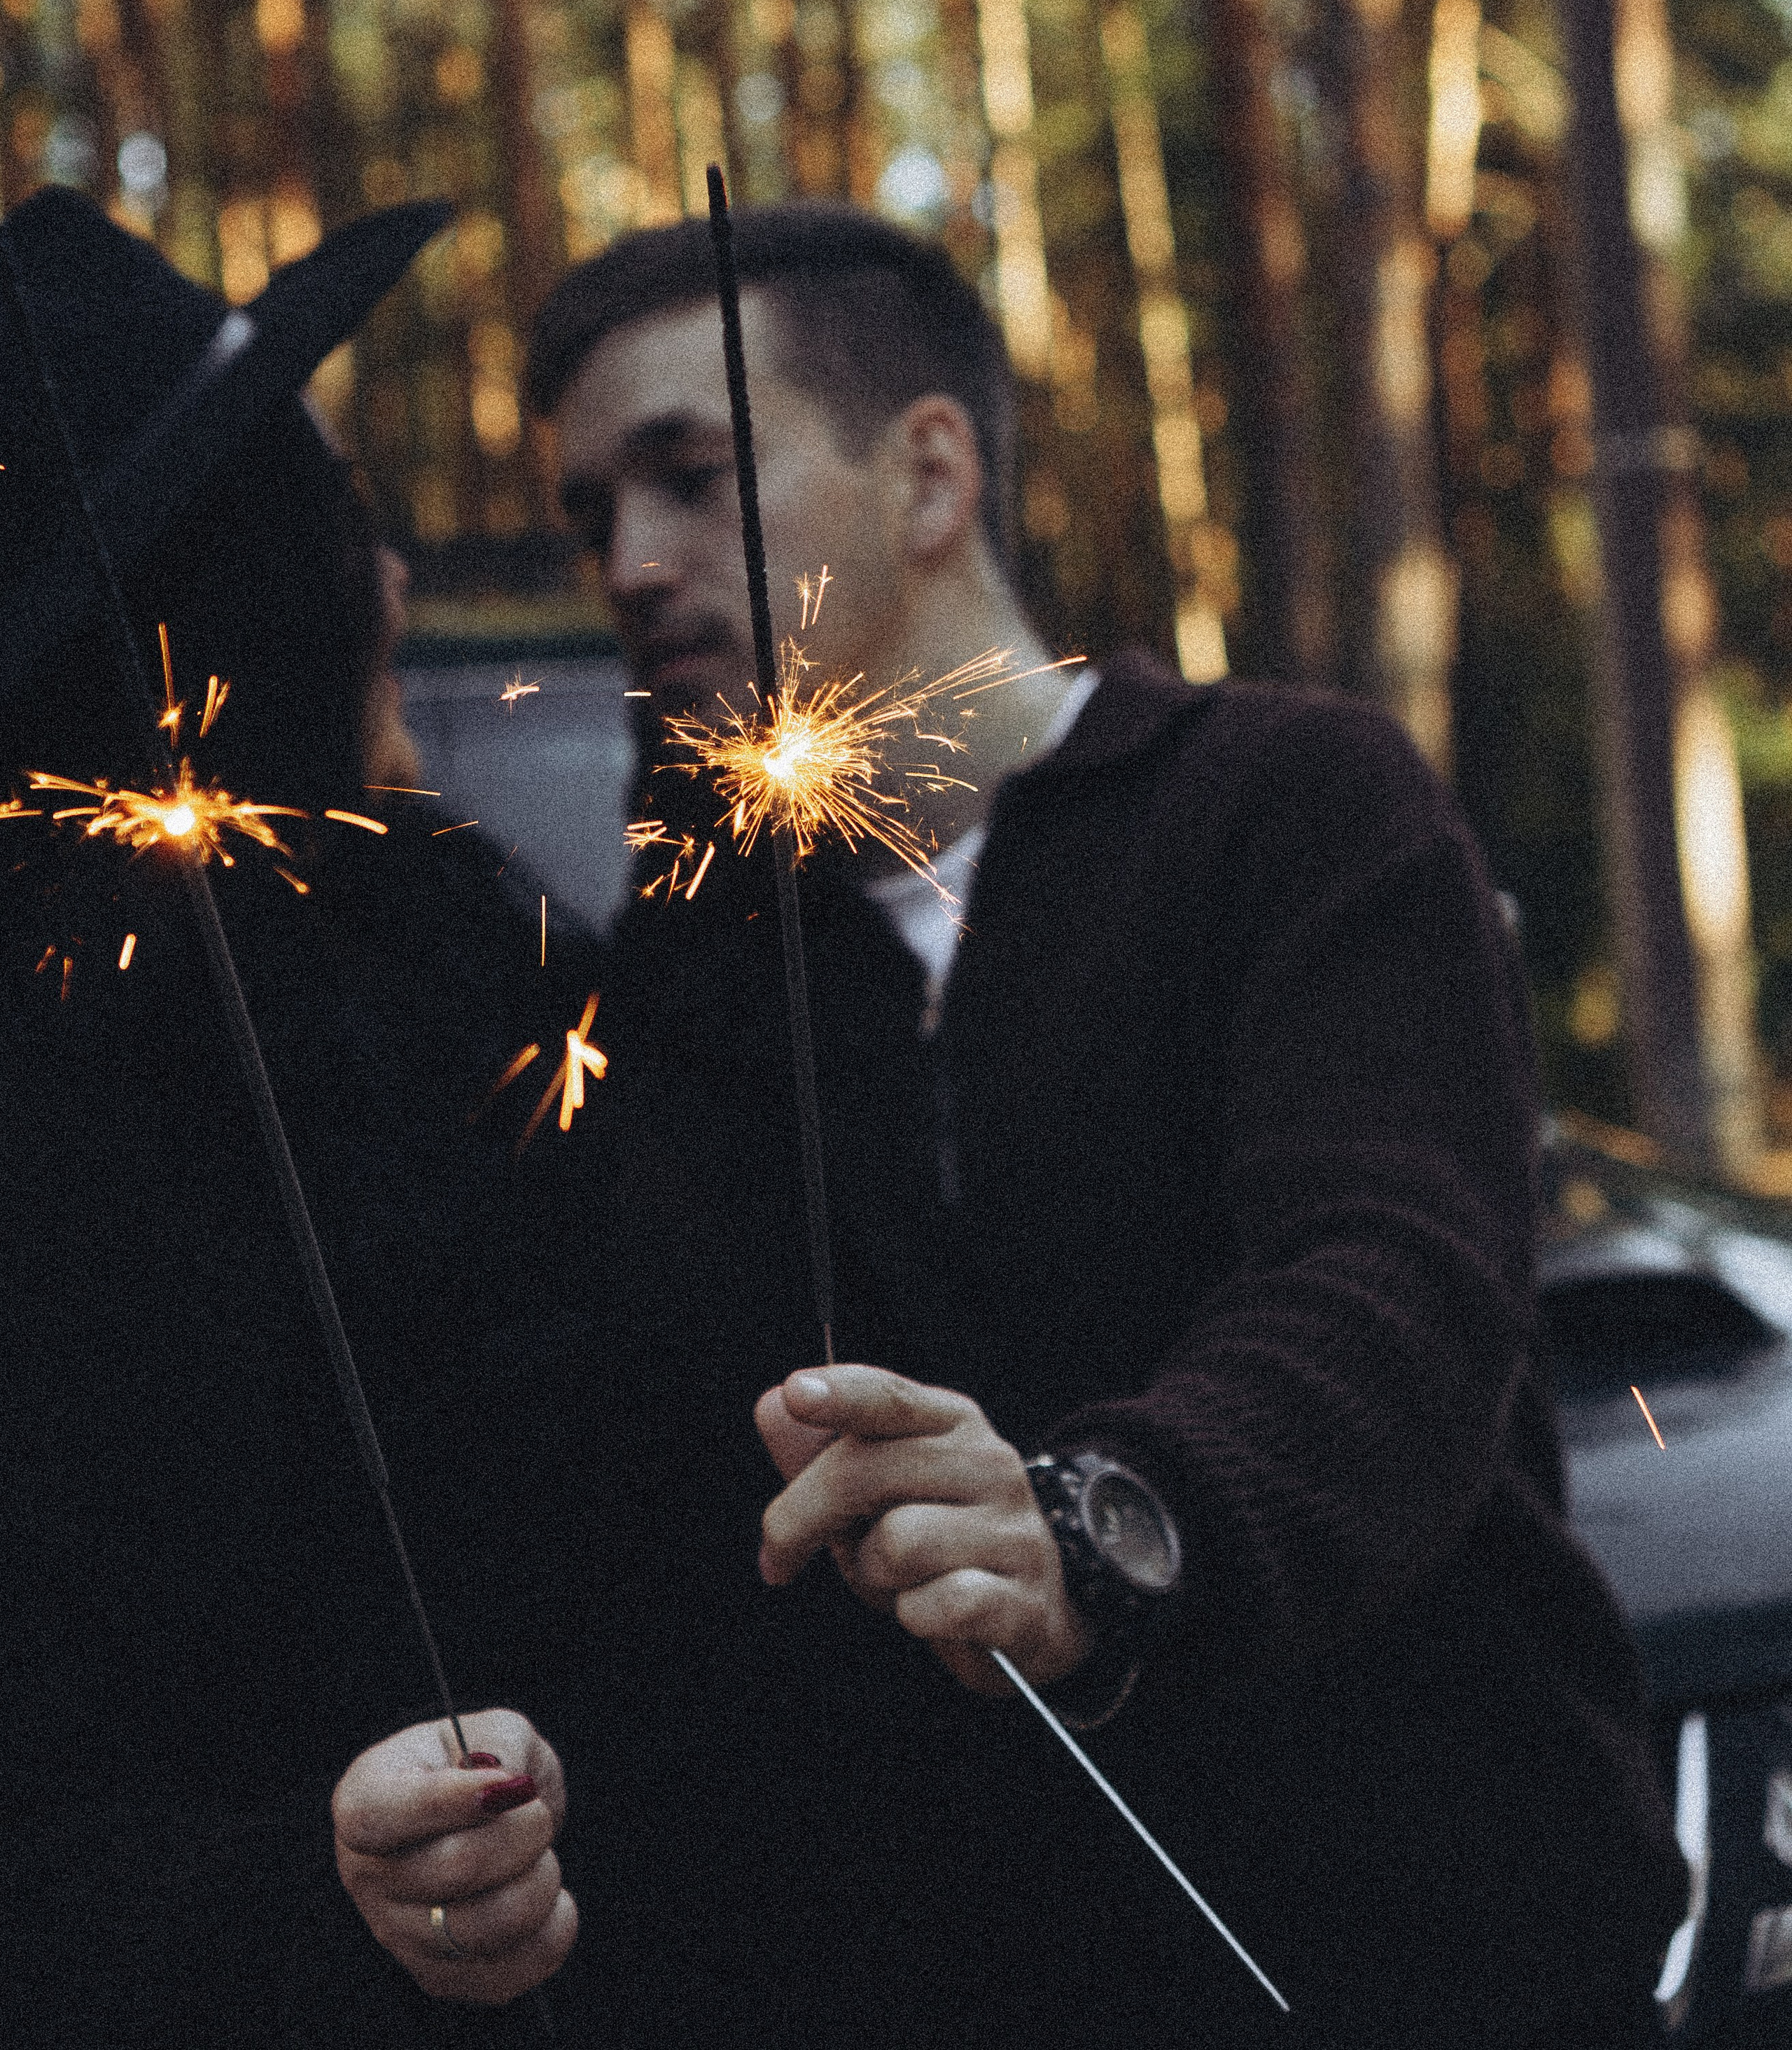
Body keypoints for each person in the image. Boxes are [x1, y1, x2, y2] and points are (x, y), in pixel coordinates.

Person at [336, 202, 1687, 2048]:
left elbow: (1394, 1280)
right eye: (596, 517)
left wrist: (1106, 1527)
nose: (633, 567)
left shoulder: (1289, 805)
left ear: (932, 470)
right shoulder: (711, 971)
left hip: (1428, 1947)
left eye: (694, 477)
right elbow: (614, 1470)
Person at [0, 187, 583, 2046]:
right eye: (338, 515)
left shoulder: (472, 956)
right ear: (255, 582)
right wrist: (313, 1893)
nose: (394, 581)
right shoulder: (87, 1126)